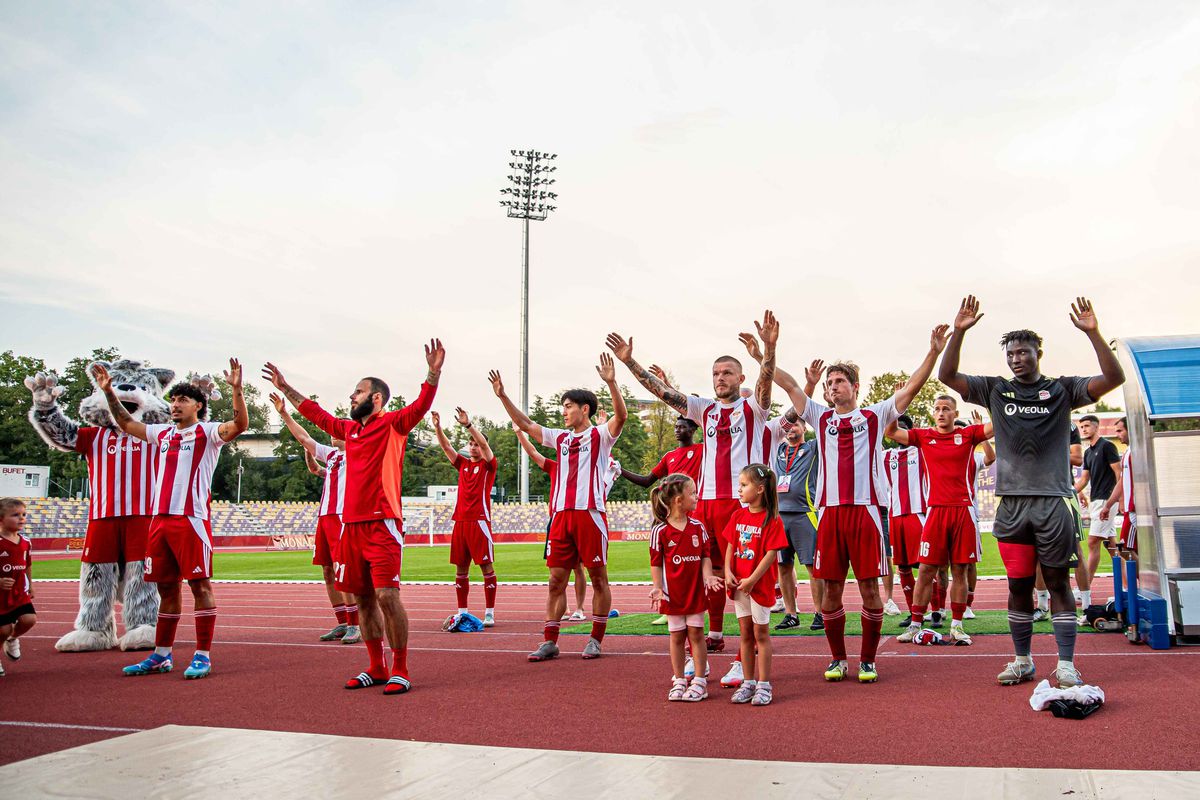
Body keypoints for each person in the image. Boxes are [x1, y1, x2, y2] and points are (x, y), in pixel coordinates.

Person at [939, 296, 1124, 688]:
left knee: (1058, 583)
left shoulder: (1062, 389)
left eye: (1023, 352)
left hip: (1054, 503)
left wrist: (1093, 333)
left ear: (1039, 353)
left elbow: (1113, 379)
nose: (1016, 359)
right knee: (1018, 585)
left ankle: (1066, 663)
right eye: (1010, 353)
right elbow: (948, 375)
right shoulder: (995, 390)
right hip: (1013, 507)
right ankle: (1022, 660)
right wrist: (959, 331)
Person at [263, 340, 443, 695]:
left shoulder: (393, 424)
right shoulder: (350, 431)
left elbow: (422, 404)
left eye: (358, 391)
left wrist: (433, 373)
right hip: (350, 526)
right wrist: (284, 387)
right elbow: (315, 414)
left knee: (387, 596)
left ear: (376, 398)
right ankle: (376, 666)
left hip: (383, 523)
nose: (351, 396)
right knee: (361, 598)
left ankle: (400, 668)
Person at [773, 325, 949, 683]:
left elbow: (912, 386)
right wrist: (767, 350)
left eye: (839, 381)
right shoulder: (819, 416)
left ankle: (867, 660)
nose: (832, 386)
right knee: (831, 590)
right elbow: (790, 385)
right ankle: (838, 659)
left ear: (855, 387)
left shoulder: (875, 415)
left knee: (870, 589)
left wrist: (932, 352)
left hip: (866, 512)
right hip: (830, 514)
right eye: (829, 383)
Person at [608, 311, 779, 659]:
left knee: (744, 574)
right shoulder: (705, 410)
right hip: (707, 504)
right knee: (710, 571)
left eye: (727, 372)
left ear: (740, 376)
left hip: (739, 502)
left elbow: (767, 380)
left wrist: (769, 348)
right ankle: (714, 634)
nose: (720, 378)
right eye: (715, 373)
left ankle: (743, 658)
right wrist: (630, 363)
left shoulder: (755, 407)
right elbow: (663, 392)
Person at [101, 360, 249, 680]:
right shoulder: (163, 434)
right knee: (166, 589)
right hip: (160, 521)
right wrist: (109, 393)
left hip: (190, 519)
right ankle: (162, 656)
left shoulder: (208, 432)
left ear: (198, 406)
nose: (175, 405)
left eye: (182, 400)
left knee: (200, 586)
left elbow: (239, 425)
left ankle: (202, 655)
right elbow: (127, 424)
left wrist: (237, 389)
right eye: (173, 400)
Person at [490, 354, 627, 662]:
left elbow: (621, 417)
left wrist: (611, 382)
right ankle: (550, 639)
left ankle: (595, 638)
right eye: (563, 407)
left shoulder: (601, 435)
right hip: (560, 518)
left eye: (568, 406)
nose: (563, 412)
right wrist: (503, 396)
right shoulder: (560, 438)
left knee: (598, 578)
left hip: (590, 514)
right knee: (555, 580)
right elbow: (525, 424)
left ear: (585, 409)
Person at [890, 395, 992, 645]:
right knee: (925, 570)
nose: (941, 412)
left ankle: (956, 625)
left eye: (946, 408)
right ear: (932, 413)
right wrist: (898, 402)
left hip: (963, 511)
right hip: (935, 511)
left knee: (959, 570)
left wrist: (992, 401)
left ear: (955, 413)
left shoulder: (968, 435)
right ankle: (915, 624)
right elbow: (891, 431)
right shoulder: (923, 436)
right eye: (937, 408)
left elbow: (995, 428)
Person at [271, 393, 361, 644]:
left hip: (345, 516)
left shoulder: (358, 453)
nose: (334, 432)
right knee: (327, 569)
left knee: (344, 570)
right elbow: (304, 439)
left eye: (339, 428)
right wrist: (284, 414)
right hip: (325, 517)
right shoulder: (331, 456)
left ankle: (356, 624)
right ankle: (342, 622)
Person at [648, 474, 722, 702]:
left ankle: (700, 681)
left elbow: (705, 557)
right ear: (679, 500)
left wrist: (708, 577)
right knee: (676, 637)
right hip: (673, 595)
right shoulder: (660, 531)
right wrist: (658, 588)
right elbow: (656, 563)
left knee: (697, 635)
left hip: (695, 592)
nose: (697, 496)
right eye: (693, 493)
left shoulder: (698, 528)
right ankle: (679, 679)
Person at [723, 465, 787, 705]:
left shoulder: (772, 519)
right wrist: (729, 571)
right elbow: (730, 545)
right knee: (745, 634)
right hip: (740, 585)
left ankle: (764, 684)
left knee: (761, 633)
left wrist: (753, 579)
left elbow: (771, 555)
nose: (739, 489)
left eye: (744, 485)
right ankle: (748, 682)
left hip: (758, 585)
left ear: (760, 489)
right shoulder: (738, 515)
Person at [431, 408, 499, 627]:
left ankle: (489, 612)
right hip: (460, 521)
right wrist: (438, 427)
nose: (473, 446)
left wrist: (468, 424)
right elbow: (446, 447)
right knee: (461, 569)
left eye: (477, 443)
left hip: (479, 521)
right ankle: (462, 611)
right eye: (471, 443)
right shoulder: (462, 464)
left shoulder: (488, 465)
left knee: (486, 567)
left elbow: (487, 447)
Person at [514, 424, 589, 619]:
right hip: (556, 519)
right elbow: (533, 452)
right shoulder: (554, 466)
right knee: (557, 570)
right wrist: (519, 433)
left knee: (578, 567)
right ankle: (563, 609)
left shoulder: (582, 464)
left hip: (577, 516)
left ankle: (580, 609)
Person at [883, 415, 927, 627]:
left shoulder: (922, 450)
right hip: (895, 516)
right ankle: (913, 611)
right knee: (903, 568)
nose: (897, 431)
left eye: (902, 427)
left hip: (918, 513)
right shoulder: (885, 456)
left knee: (928, 566)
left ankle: (935, 611)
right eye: (894, 427)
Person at [1074, 414, 1122, 592]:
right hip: (1096, 500)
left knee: (1093, 542)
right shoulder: (1087, 452)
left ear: (1096, 427)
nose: (1084, 429)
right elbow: (1084, 479)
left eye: (1087, 426)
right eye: (1082, 427)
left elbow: (1118, 474)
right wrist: (1069, 493)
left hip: (1106, 500)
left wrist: (1119, 499)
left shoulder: (1107, 446)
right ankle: (1126, 584)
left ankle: (1084, 588)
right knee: (1112, 547)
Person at [962, 413, 996, 618]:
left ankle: (967, 605)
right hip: (940, 512)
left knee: (969, 562)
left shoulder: (974, 456)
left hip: (969, 513)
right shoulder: (938, 450)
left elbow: (991, 458)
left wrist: (981, 433)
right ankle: (938, 608)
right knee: (939, 565)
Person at [0, 498, 35, 678]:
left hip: (19, 591)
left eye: (23, 514)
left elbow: (27, 564)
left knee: (29, 620)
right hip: (1, 596)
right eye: (15, 515)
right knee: (2, 630)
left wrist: (31, 584)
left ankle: (12, 638)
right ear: (1, 519)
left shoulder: (25, 542)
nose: (21, 518)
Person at [1100, 417, 1136, 555]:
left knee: (1126, 549)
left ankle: (1147, 577)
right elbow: (1122, 481)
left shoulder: (1137, 452)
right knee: (1126, 549)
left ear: (1130, 429)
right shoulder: (1127, 452)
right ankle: (1143, 577)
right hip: (1130, 509)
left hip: (1136, 509)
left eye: (1120, 430)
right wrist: (1108, 505)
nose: (1117, 434)